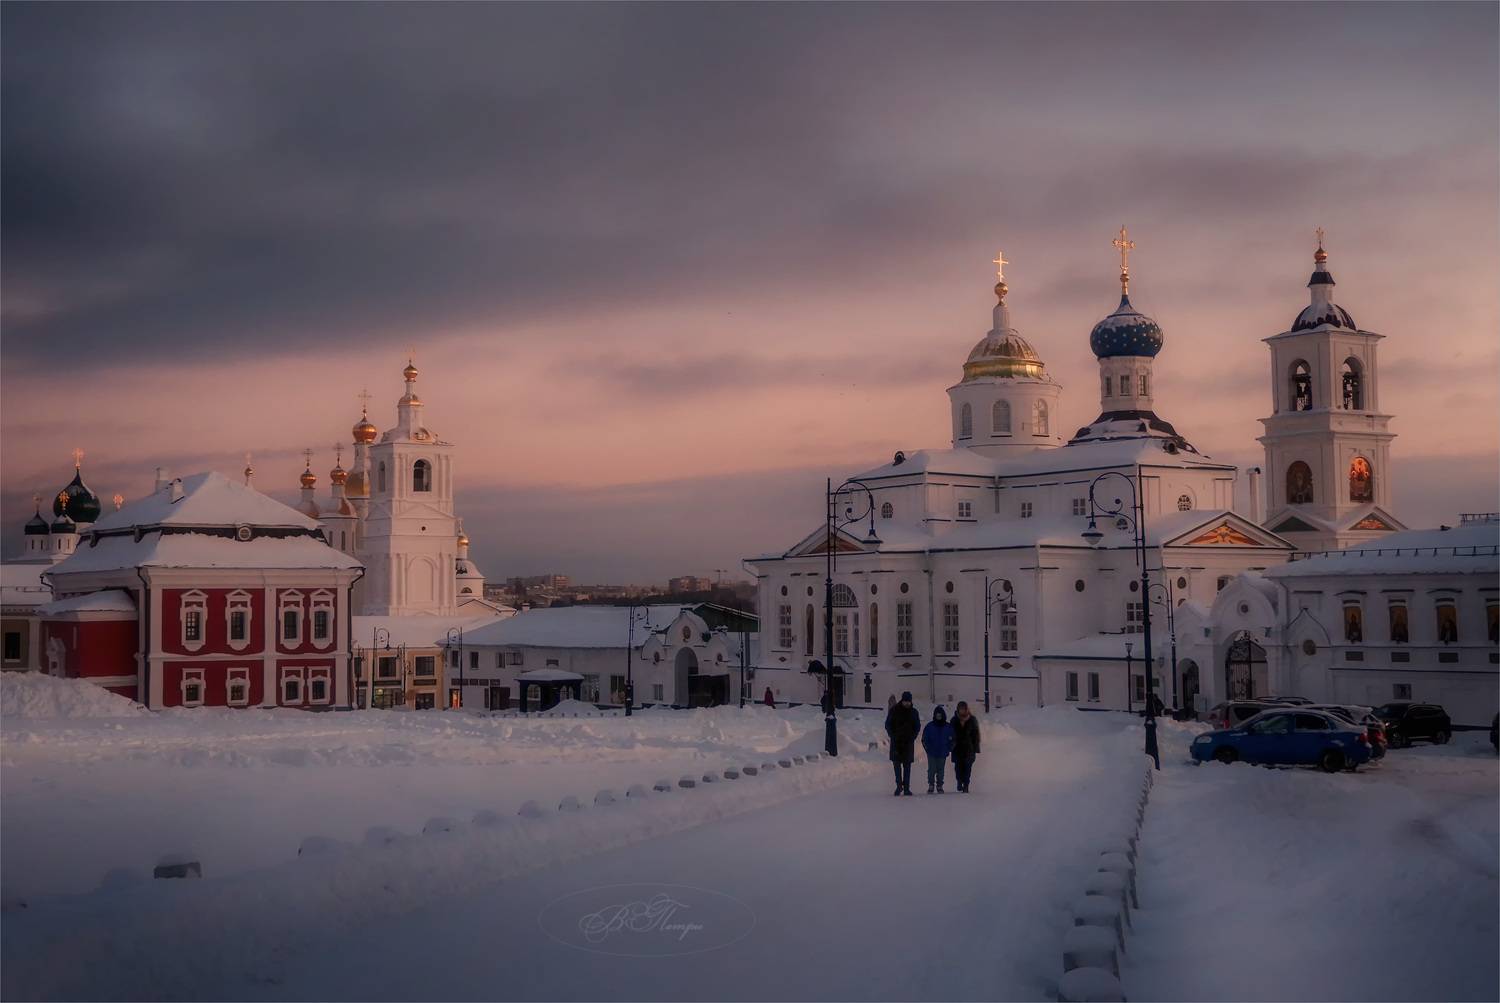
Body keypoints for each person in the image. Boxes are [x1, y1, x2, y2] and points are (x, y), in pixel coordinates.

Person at [884, 691, 921, 796]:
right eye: (905, 701)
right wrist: (892, 735)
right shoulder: (894, 711)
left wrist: (913, 737)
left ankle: (907, 788)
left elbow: (917, 726)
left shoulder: (914, 712)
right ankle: (899, 785)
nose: (907, 703)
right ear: (902, 700)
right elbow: (888, 724)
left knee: (907, 766)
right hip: (896, 742)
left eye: (908, 701)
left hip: (908, 742)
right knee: (896, 765)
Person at [920, 705, 955, 793]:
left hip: (943, 752)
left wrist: (949, 748)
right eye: (937, 715)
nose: (938, 717)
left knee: (941, 770)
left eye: (940, 715)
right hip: (931, 752)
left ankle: (939, 785)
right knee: (931, 769)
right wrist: (927, 748)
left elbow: (953, 739)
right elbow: (924, 739)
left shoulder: (948, 727)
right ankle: (931, 784)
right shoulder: (929, 726)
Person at [951, 701, 981, 793]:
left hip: (969, 749)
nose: (962, 711)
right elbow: (950, 734)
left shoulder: (972, 720)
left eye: (964, 709)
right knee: (958, 769)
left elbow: (976, 735)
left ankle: (966, 785)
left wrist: (976, 748)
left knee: (967, 768)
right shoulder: (954, 720)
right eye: (961, 709)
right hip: (957, 748)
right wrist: (950, 745)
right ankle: (959, 781)